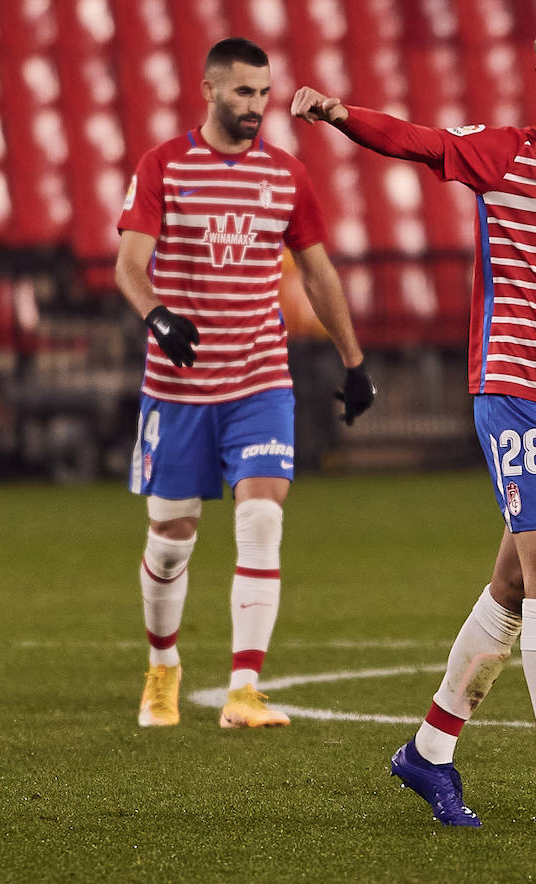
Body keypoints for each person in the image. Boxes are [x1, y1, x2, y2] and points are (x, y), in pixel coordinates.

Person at [292, 16, 536, 829]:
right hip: (514, 388)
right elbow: (422, 143)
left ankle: (428, 752)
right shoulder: (506, 154)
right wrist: (342, 114)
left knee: (513, 585)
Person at [116, 37, 375, 730]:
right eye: (241, 93)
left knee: (262, 519)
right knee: (172, 540)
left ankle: (244, 690)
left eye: (263, 93)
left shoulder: (287, 176)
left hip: (261, 381)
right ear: (207, 90)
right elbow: (128, 266)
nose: (255, 106)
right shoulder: (163, 167)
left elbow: (318, 273)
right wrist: (157, 314)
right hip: (177, 392)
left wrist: (354, 361)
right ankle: (162, 667)